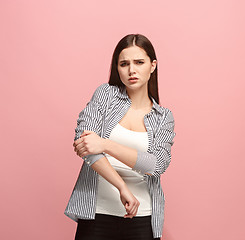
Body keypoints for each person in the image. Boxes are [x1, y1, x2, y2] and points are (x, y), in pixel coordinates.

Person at [64, 33, 176, 240]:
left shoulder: (163, 117)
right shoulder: (105, 95)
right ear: (117, 68)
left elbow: (157, 165)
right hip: (96, 211)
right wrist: (122, 187)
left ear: (152, 66)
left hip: (142, 217)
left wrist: (105, 145)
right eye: (124, 64)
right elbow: (85, 144)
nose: (131, 70)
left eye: (139, 62)